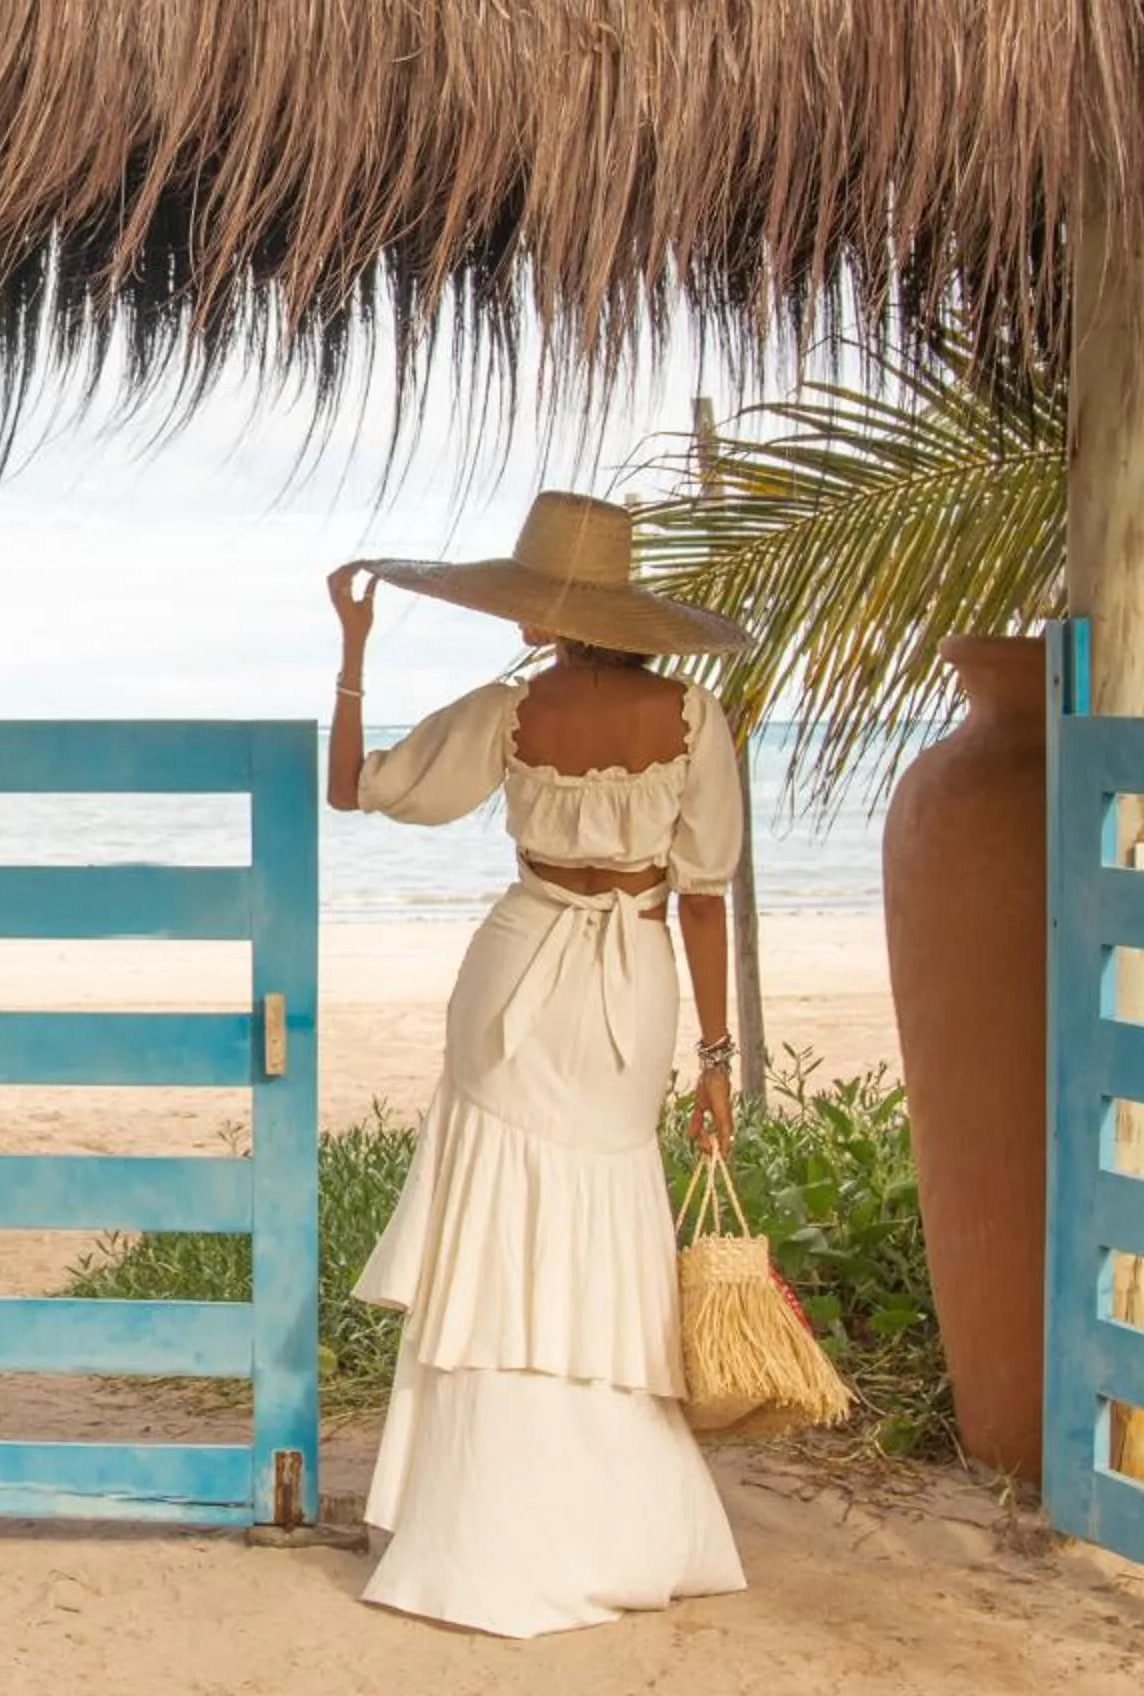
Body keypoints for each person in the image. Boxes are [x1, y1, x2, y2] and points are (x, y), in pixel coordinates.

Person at [325, 489, 753, 1638]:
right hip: (635, 979)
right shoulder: (695, 715)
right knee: (606, 1208)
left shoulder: (510, 711)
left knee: (498, 1212)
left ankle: (472, 1511)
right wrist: (717, 1055)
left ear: (551, 614)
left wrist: (353, 651)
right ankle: (612, 1519)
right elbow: (703, 896)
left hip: (514, 968)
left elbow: (356, 787)